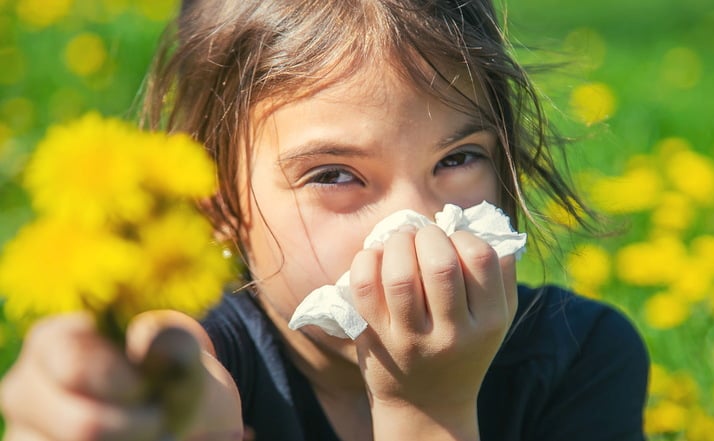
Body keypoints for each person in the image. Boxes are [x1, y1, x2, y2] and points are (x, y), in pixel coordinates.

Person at [0, 0, 649, 440]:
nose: (417, 223)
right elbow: (181, 374)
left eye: (458, 158)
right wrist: (115, 393)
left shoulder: (581, 359)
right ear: (219, 203)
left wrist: (426, 408)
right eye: (335, 174)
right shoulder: (215, 356)